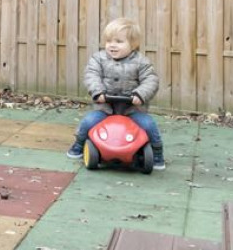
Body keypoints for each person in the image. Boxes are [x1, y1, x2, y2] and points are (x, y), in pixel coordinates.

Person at [66, 17, 165, 170]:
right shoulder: (98, 59)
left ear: (133, 44)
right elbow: (91, 75)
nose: (112, 45)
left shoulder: (141, 62)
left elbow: (151, 80)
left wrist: (140, 95)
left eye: (119, 41)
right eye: (109, 41)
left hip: (132, 109)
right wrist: (98, 91)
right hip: (105, 107)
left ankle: (157, 153)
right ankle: (78, 145)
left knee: (148, 124)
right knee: (88, 121)